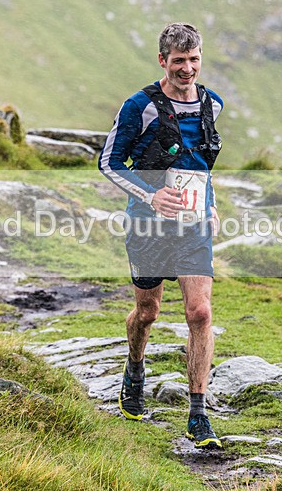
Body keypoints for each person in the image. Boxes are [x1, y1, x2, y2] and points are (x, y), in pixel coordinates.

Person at [98, 22, 224, 449]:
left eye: (194, 60)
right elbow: (109, 163)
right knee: (148, 312)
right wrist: (152, 197)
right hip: (147, 223)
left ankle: (198, 413)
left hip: (192, 226)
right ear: (162, 61)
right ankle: (134, 368)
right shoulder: (140, 106)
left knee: (199, 314)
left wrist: (209, 203)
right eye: (178, 62)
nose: (187, 69)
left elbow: (202, 164)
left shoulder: (213, 104)